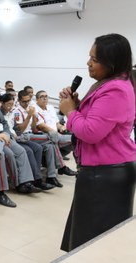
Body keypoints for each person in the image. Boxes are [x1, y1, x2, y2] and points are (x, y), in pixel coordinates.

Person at [59, 33, 136, 252]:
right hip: (101, 171)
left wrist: (70, 111)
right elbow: (98, 119)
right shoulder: (109, 83)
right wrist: (76, 104)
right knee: (87, 232)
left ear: (112, 62)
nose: (88, 63)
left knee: (97, 240)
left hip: (106, 175)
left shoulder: (116, 90)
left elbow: (91, 132)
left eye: (94, 59)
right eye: (89, 57)